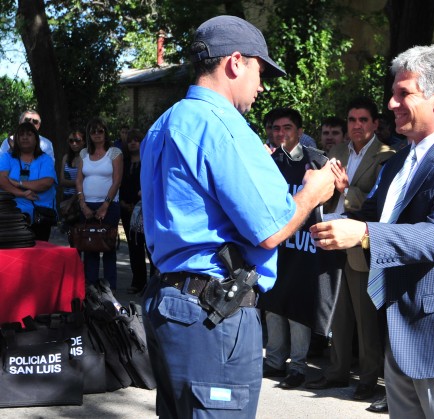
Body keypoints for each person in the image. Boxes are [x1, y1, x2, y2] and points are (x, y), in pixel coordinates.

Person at [139, 15, 334, 418]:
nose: (261, 86)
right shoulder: (224, 125)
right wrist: (312, 192)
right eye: (259, 71)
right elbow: (270, 229)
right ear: (236, 63)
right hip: (212, 315)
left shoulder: (164, 123)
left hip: (173, 303)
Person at [310, 44, 434, 418]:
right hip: (401, 325)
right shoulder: (399, 161)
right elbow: (376, 214)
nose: (392, 104)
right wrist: (318, 199)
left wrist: (363, 234)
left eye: (403, 93)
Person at [305, 96, 394, 402]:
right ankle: (337, 370)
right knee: (338, 313)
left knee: (365, 316)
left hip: (362, 242)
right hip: (332, 238)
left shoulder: (386, 156)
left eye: (363, 120)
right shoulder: (337, 151)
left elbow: (380, 202)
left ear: (375, 124)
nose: (357, 126)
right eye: (352, 120)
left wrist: (347, 191)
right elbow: (325, 192)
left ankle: (369, 378)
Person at [258, 107, 334, 390]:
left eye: (287, 128)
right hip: (277, 245)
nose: (280, 133)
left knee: (298, 308)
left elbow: (333, 200)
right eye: (276, 128)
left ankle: (299, 367)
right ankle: (275, 360)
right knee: (273, 303)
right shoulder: (266, 161)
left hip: (304, 247)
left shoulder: (317, 162)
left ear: (300, 132)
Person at [76, 117, 123, 290]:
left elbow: (117, 180)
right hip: (87, 205)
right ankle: (91, 288)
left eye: (100, 130)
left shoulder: (114, 153)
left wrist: (105, 205)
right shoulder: (83, 154)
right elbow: (79, 179)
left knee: (108, 247)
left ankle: (109, 289)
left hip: (109, 207)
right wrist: (82, 204)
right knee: (89, 247)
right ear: (89, 134)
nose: (97, 134)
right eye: (93, 131)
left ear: (105, 132)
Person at [0, 122, 57, 241]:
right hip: (12, 217)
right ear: (16, 139)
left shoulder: (45, 159)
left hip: (41, 216)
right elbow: (2, 180)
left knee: (39, 255)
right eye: (21, 135)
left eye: (29, 134)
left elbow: (46, 182)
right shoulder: (6, 157)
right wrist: (22, 193)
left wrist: (18, 183)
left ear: (36, 139)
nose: (25, 137)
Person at [119, 128, 152, 294]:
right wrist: (124, 203)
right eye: (130, 140)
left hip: (146, 210)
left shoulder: (148, 161)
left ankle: (153, 283)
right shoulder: (123, 162)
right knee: (133, 246)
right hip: (127, 209)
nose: (133, 143)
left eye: (136, 140)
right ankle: (138, 281)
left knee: (150, 246)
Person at [59, 130, 85, 200]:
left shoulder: (86, 158)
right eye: (71, 141)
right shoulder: (66, 157)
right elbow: (62, 181)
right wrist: (79, 182)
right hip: (66, 195)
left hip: (81, 197)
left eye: (77, 141)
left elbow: (85, 183)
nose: (74, 143)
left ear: (84, 142)